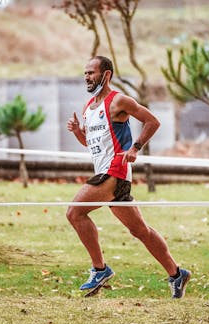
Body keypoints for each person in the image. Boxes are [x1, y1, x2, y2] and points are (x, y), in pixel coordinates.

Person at [66, 55, 191, 298]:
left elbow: (152, 121)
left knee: (75, 212)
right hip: (105, 172)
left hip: (115, 171)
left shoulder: (118, 101)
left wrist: (135, 147)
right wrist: (77, 133)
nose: (87, 77)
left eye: (91, 72)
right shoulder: (89, 107)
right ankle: (177, 274)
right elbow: (89, 145)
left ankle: (99, 269)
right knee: (141, 231)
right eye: (85, 73)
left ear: (106, 75)